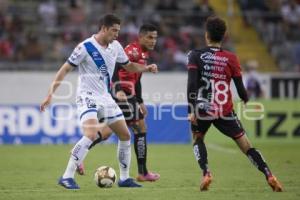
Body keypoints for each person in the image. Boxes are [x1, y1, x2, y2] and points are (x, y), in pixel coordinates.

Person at [40, 14, 158, 189]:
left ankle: (124, 178)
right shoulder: (85, 47)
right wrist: (50, 94)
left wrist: (145, 68)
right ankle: (66, 177)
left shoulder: (116, 46)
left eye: (118, 31)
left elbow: (129, 66)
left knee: (125, 135)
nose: (117, 34)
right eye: (114, 30)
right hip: (87, 96)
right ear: (103, 28)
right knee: (90, 134)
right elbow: (65, 69)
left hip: (105, 97)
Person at [187, 16, 283, 192]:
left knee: (197, 139)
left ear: (206, 34)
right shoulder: (231, 58)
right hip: (225, 110)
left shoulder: (195, 55)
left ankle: (206, 173)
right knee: (247, 147)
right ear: (224, 35)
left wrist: (191, 109)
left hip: (202, 107)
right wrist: (246, 100)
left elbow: (192, 84)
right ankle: (269, 174)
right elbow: (240, 87)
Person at [79, 24, 160, 182]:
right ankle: (142, 172)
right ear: (141, 37)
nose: (153, 41)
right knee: (140, 127)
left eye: (155, 38)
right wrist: (117, 90)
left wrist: (140, 100)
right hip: (122, 92)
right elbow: (114, 65)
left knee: (109, 131)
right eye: (150, 37)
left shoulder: (143, 53)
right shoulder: (133, 50)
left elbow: (136, 78)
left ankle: (79, 154)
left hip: (128, 94)